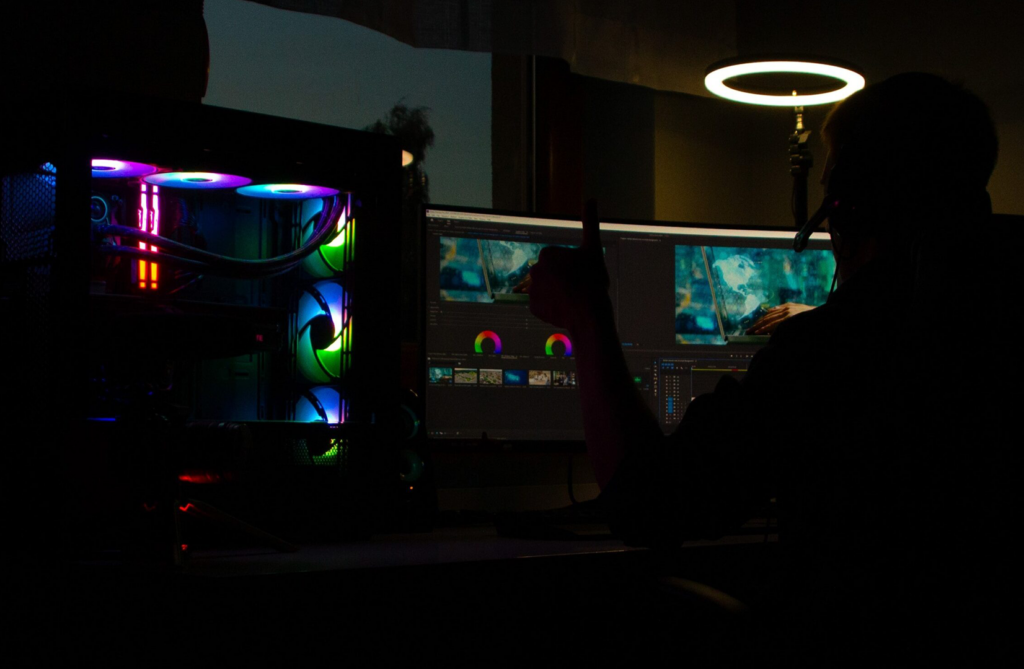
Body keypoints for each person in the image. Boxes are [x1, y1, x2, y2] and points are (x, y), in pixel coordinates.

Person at [525, 73, 1013, 664]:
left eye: (831, 190)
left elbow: (647, 502)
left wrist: (586, 315)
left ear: (851, 201)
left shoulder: (831, 352)